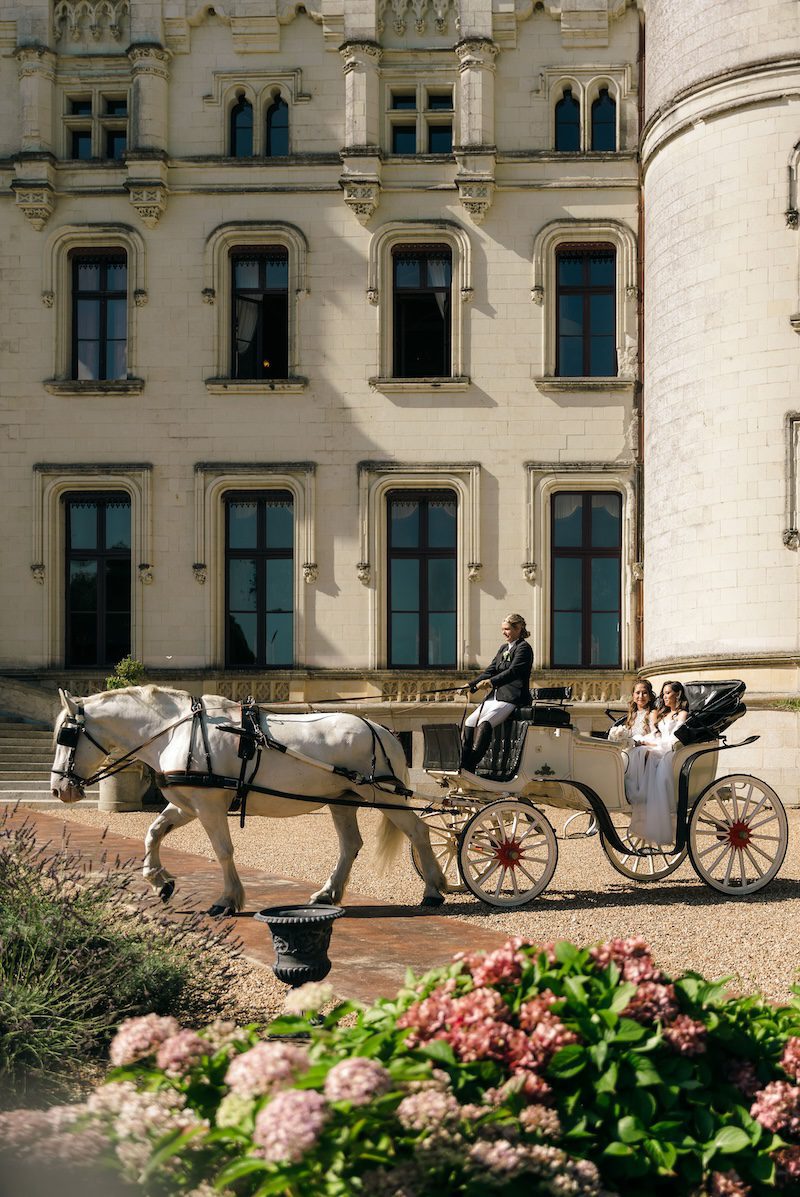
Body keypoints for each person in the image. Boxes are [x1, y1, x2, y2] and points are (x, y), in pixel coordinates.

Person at [460, 614, 533, 772]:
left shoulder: (524, 648)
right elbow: (491, 670)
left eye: (507, 629)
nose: (504, 632)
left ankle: (471, 764)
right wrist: (470, 685)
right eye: (503, 629)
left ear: (518, 628)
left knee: (485, 723)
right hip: (495, 697)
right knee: (469, 722)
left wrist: (492, 682)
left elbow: (514, 671)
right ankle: (463, 762)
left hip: (512, 698)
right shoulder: (503, 648)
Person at [627, 680, 690, 845]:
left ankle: (640, 791)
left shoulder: (681, 714)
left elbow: (675, 737)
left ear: (678, 694)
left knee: (643, 752)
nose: (665, 696)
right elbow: (656, 733)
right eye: (663, 693)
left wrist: (651, 743)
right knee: (638, 751)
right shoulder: (665, 714)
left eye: (668, 693)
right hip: (660, 744)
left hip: (669, 748)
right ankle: (634, 788)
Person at [611, 679, 657, 803]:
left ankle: (635, 793)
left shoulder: (652, 713)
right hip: (630, 747)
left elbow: (656, 735)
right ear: (633, 695)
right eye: (637, 693)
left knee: (637, 753)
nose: (640, 696)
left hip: (643, 748)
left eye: (644, 693)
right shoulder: (633, 715)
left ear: (650, 696)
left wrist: (641, 742)